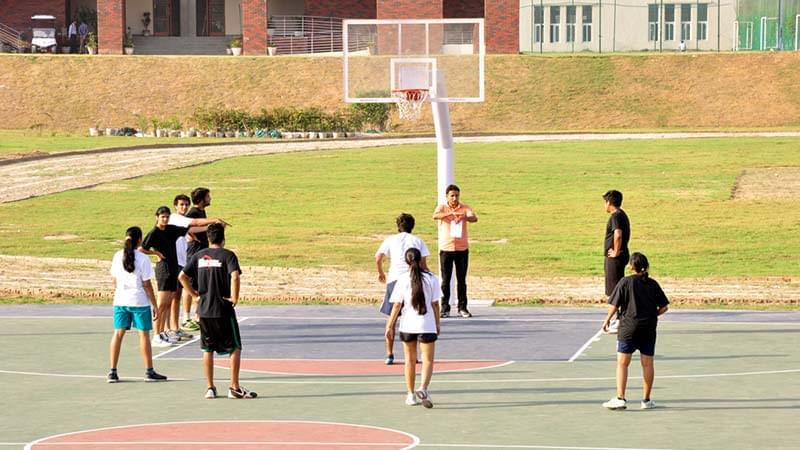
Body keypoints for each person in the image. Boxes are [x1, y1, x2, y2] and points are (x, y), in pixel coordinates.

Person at [179, 223, 257, 399]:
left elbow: (182, 276)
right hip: (223, 309)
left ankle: (210, 388)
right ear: (223, 238)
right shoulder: (228, 255)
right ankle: (234, 387)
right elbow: (235, 276)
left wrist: (195, 295)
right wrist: (235, 297)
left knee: (207, 349)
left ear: (208, 238)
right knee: (235, 347)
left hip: (204, 310)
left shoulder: (199, 256)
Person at [140, 206, 222, 347]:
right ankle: (156, 335)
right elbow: (141, 248)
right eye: (162, 217)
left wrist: (211, 226)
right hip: (163, 269)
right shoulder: (154, 232)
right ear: (157, 217)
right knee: (162, 303)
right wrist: (157, 254)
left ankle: (163, 332)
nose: (165, 219)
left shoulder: (171, 229)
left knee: (168, 303)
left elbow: (190, 228)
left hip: (173, 268)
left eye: (167, 217)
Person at [601, 252, 669, 410]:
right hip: (648, 329)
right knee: (647, 364)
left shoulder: (625, 282)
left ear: (631, 266)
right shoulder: (653, 284)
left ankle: (621, 398)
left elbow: (615, 304)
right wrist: (653, 315)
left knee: (623, 364)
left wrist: (607, 320)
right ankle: (646, 401)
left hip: (628, 328)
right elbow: (664, 307)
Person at [107, 226, 167, 383]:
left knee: (118, 334)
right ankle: (149, 370)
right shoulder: (142, 258)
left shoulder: (117, 255)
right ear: (139, 240)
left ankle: (112, 371)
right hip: (138, 301)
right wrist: (155, 305)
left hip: (120, 300)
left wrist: (120, 291)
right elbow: (147, 284)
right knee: (144, 335)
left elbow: (114, 279)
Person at [386, 248, 441, 408]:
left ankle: (410, 394)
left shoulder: (402, 279)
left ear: (406, 261)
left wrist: (390, 325)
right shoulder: (432, 279)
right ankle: (423, 388)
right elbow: (436, 304)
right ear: (421, 260)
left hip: (408, 325)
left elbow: (397, 305)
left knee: (409, 360)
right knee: (428, 360)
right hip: (426, 324)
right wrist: (437, 323)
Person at [375, 213, 431, 365]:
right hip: (413, 281)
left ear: (398, 226)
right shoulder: (418, 241)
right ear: (412, 226)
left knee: (391, 317)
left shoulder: (390, 240)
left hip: (394, 281)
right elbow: (423, 264)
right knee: (417, 316)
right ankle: (416, 354)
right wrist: (429, 276)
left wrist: (381, 272)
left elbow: (378, 257)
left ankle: (389, 353)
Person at [432, 184, 478, 318]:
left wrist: (463, 216)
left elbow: (474, 217)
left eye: (457, 195)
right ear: (447, 196)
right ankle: (445, 308)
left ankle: (462, 307)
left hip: (461, 248)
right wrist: (450, 214)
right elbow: (435, 215)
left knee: (461, 279)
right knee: (445, 280)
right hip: (446, 248)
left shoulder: (464, 207)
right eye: (452, 195)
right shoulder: (442, 207)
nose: (454, 198)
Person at [180, 187, 214, 332]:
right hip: (194, 252)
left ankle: (197, 316)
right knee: (190, 285)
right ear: (201, 199)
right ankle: (186, 318)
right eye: (208, 196)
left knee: (200, 284)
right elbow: (186, 228)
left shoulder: (201, 212)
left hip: (201, 252)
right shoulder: (193, 213)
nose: (210, 198)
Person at [603, 190, 630, 333]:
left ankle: (619, 320)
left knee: (614, 291)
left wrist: (616, 252)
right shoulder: (621, 215)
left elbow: (618, 235)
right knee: (616, 289)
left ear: (609, 202)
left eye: (605, 202)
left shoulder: (616, 216)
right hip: (619, 257)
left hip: (616, 258)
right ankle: (619, 318)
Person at [168, 194, 193, 342]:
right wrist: (213, 223)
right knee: (172, 297)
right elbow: (194, 223)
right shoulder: (175, 218)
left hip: (182, 262)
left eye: (186, 205)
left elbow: (189, 230)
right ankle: (170, 329)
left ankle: (175, 327)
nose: (184, 207)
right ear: (175, 206)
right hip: (174, 263)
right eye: (181, 204)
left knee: (177, 297)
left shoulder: (182, 223)